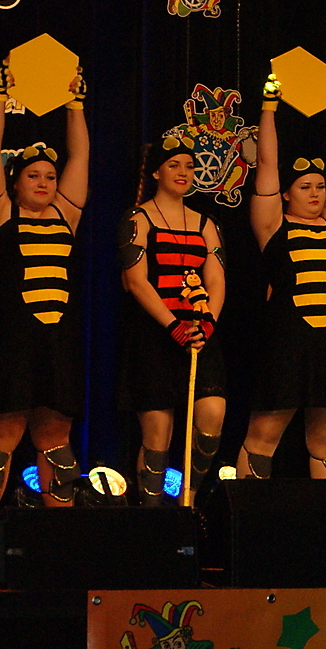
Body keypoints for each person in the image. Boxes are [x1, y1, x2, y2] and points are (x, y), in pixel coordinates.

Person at [0, 60, 89, 528]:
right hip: (10, 341)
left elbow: (80, 156)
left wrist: (75, 103)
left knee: (56, 439)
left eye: (49, 177)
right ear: (15, 181)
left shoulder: (66, 215)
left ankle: (61, 533)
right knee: (1, 436)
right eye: (33, 176)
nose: (43, 183)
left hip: (58, 341)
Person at [237, 75, 326, 480]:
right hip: (286, 341)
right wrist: (269, 107)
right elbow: (267, 163)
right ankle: (251, 515)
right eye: (305, 187)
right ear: (287, 193)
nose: (316, 193)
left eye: (320, 186)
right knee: (264, 435)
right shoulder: (272, 223)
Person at [119, 133, 227, 505]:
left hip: (198, 330)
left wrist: (208, 322)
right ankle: (153, 516)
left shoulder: (206, 223)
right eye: (174, 165)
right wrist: (173, 326)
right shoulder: (138, 218)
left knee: (212, 415)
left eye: (189, 166)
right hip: (155, 333)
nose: (183, 172)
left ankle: (189, 498)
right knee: (157, 434)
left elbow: (216, 279)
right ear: (157, 172)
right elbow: (137, 281)